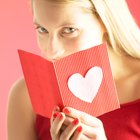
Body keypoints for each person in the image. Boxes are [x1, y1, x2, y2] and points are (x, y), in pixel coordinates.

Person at [7, 0, 140, 140]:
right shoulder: (26, 94)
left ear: (104, 21)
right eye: (42, 29)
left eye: (69, 30)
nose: (52, 51)